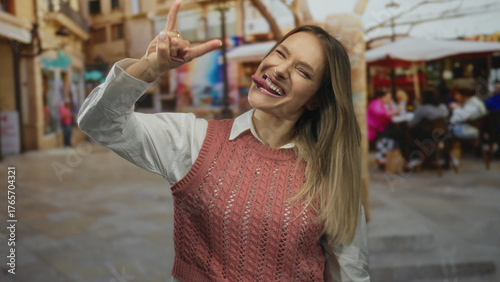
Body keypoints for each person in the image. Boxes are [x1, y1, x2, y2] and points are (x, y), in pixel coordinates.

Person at [78, 1, 369, 281]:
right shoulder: (195, 140)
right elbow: (99, 122)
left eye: (303, 71)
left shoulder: (329, 173)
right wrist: (149, 68)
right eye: (280, 53)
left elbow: (350, 271)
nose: (280, 69)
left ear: (316, 99)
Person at [367, 90, 401, 167]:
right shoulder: (375, 103)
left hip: (381, 128)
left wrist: (392, 106)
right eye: (387, 97)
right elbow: (380, 113)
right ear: (380, 97)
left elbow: (390, 115)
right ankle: (382, 158)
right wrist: (394, 110)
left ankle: (384, 157)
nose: (389, 99)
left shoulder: (383, 105)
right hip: (374, 129)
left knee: (395, 133)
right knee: (393, 134)